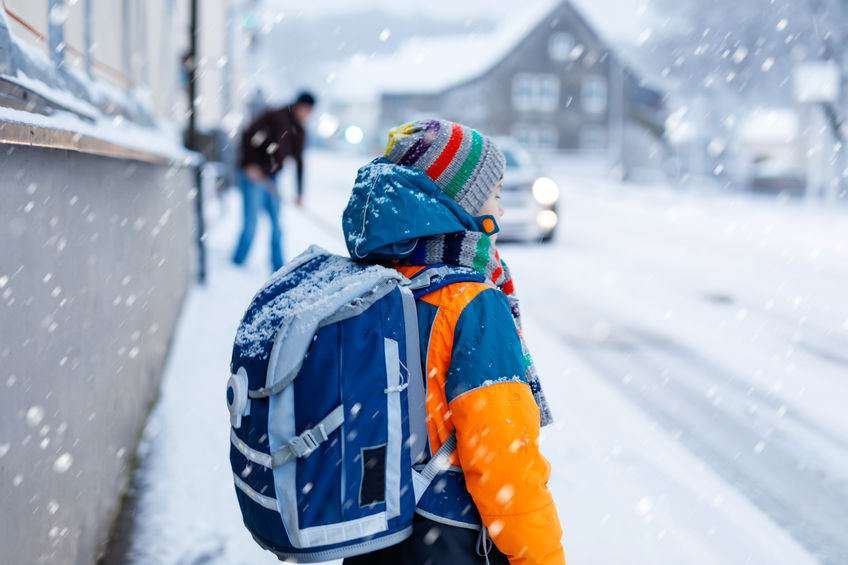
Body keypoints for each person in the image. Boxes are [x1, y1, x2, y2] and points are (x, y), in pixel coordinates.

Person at [341, 120, 565, 565]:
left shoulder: (376, 281)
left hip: (374, 536)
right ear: (461, 205)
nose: (500, 212)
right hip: (446, 543)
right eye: (495, 195)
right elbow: (506, 468)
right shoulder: (473, 305)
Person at [232, 91, 315, 272]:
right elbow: (251, 137)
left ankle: (278, 267)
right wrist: (250, 164)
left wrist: (300, 193)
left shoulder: (299, 131)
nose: (306, 114)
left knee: (277, 225)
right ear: (297, 105)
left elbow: (299, 161)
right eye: (305, 109)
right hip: (253, 175)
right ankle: (236, 264)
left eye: (309, 111)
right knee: (251, 224)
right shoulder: (275, 117)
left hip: (271, 178)